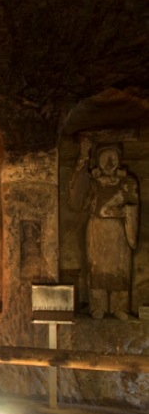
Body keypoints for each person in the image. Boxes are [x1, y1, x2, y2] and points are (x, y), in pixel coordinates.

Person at [69, 136, 139, 320]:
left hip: (119, 230)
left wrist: (123, 210)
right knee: (96, 268)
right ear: (98, 160)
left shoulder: (128, 182)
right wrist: (84, 156)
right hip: (97, 228)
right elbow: (77, 199)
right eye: (104, 157)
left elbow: (134, 205)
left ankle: (120, 306)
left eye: (113, 157)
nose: (109, 162)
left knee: (121, 268)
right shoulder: (93, 181)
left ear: (119, 159)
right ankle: (97, 306)